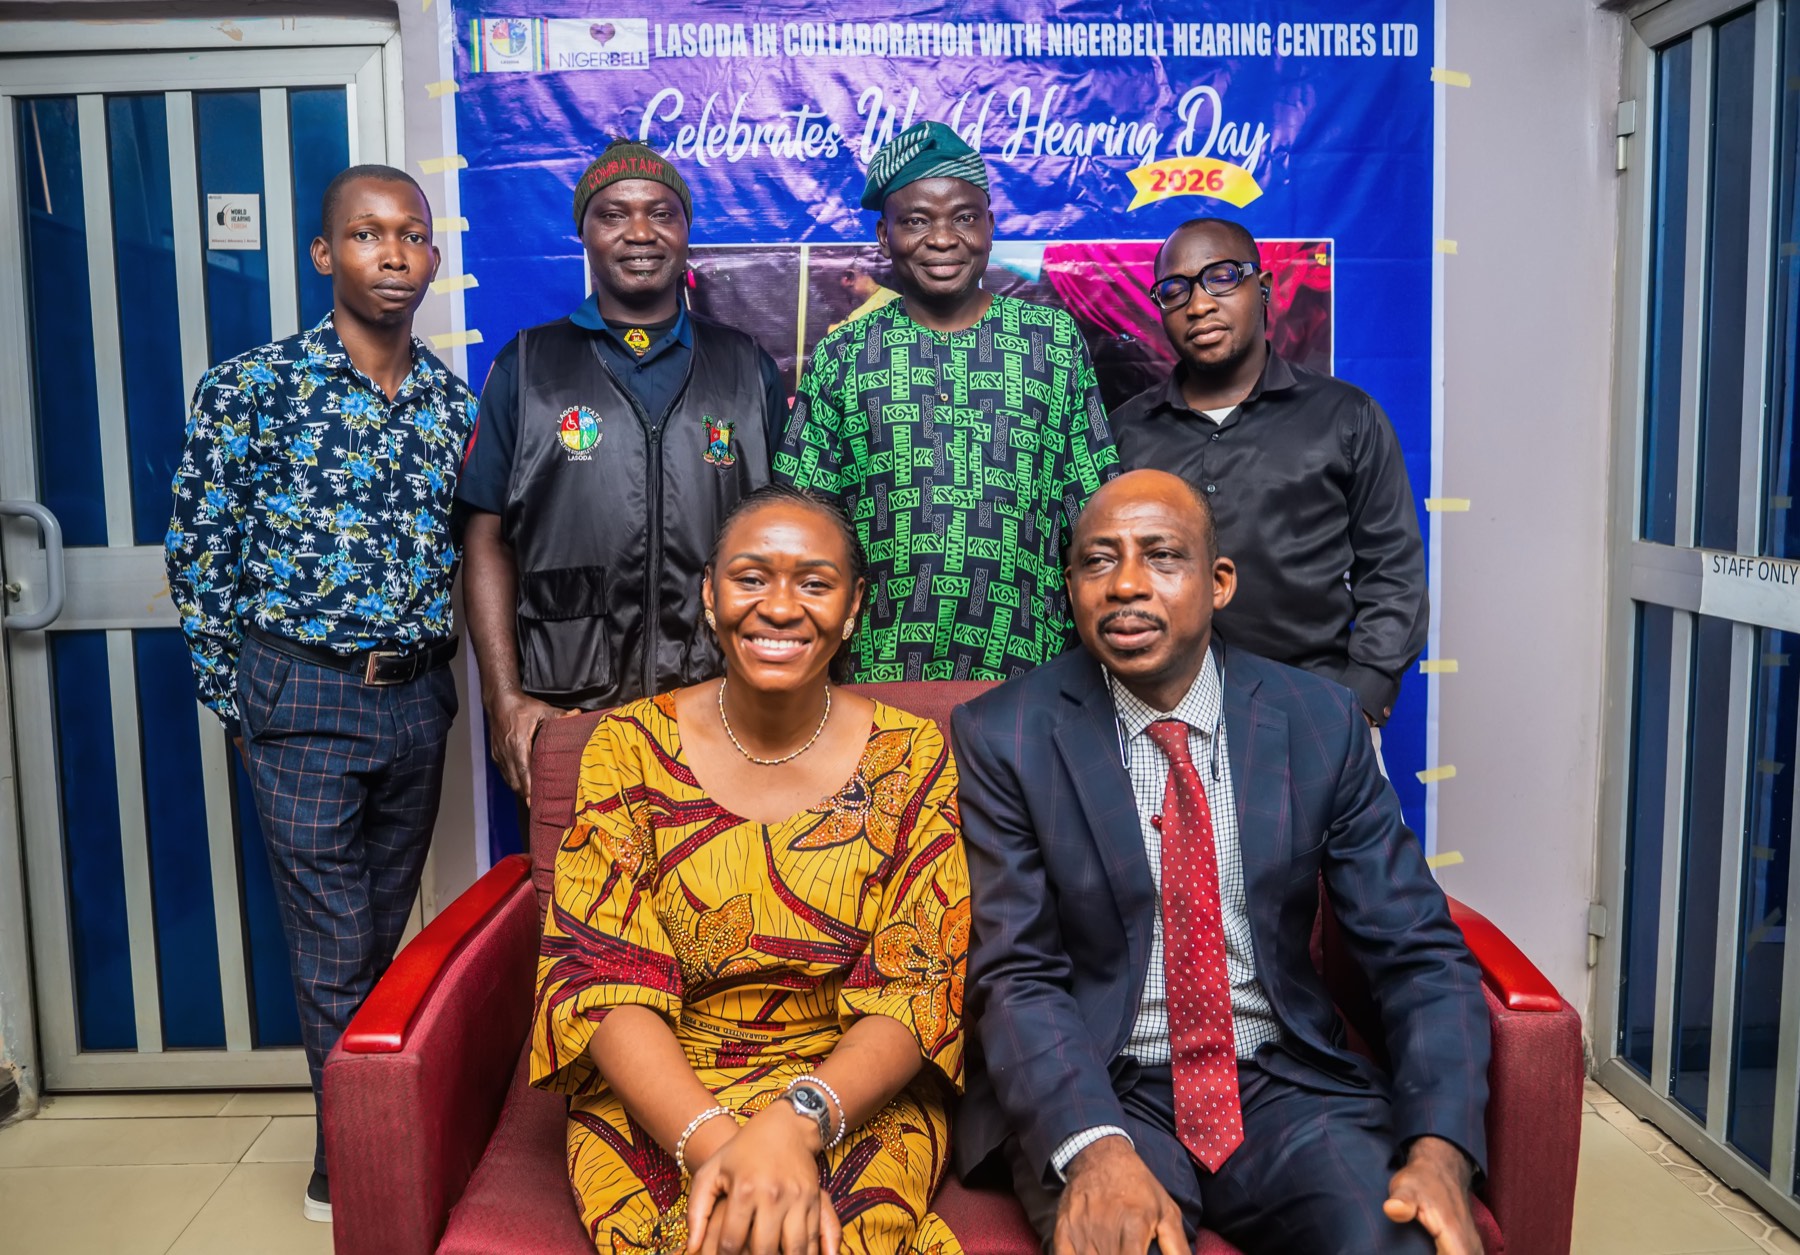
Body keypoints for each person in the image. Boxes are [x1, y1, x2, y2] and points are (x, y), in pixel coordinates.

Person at [950, 469, 1490, 1255]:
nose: (1126, 584)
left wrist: (1441, 1151)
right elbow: (1015, 974)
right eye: (1097, 561)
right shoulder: (1007, 735)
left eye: (1162, 555)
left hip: (1283, 1081)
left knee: (1401, 1241)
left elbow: (1418, 952)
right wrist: (1095, 1150)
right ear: (1071, 587)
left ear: (1219, 581)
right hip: (1106, 1081)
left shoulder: (1317, 719)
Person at [531, 484, 971, 1255]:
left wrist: (797, 1123)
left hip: (850, 1087)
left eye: (814, 582)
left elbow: (918, 987)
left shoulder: (912, 755)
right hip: (663, 1088)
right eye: (751, 577)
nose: (780, 606)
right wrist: (719, 1145)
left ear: (853, 605)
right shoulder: (627, 747)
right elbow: (601, 978)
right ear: (710, 593)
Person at [166, 164, 476, 1223]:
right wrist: (241, 703)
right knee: (337, 943)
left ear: (433, 255)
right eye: (367, 234)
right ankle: (353, 1163)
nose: (393, 254)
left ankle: (365, 1125)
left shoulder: (453, 405)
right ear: (323, 253)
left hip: (417, 701)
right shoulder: (252, 389)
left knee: (378, 935)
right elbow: (199, 555)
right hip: (299, 695)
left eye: (412, 235)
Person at [458, 137, 787, 807]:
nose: (640, 232)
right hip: (567, 706)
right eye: (613, 214)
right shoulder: (528, 365)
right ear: (583, 232)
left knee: (727, 873)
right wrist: (503, 696)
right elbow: (485, 537)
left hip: (723, 700)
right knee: (579, 875)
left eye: (661, 213)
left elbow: (790, 535)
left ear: (686, 231)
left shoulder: (746, 366)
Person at [775, 120, 1118, 683]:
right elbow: (801, 522)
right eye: (916, 221)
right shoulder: (845, 352)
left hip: (1031, 672)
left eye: (964, 217)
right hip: (876, 670)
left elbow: (1097, 514)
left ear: (990, 227)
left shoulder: (1051, 341)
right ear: (884, 236)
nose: (942, 238)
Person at [1111, 218, 1427, 732]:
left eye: (1221, 277)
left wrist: (1363, 700)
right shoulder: (1125, 432)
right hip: (1157, 720)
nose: (1199, 304)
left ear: (1263, 288)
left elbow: (1393, 570)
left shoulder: (1346, 417)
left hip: (1315, 710)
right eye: (1174, 290)